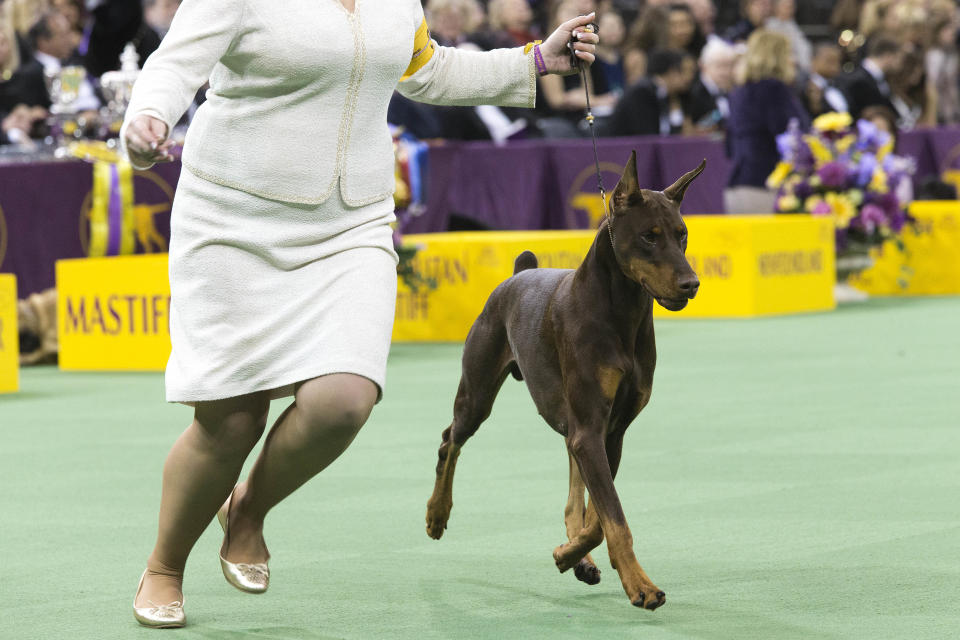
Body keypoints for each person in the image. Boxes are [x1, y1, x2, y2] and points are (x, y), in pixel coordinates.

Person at [120, 0, 599, 629]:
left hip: (351, 223)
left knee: (344, 399)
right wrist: (148, 117)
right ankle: (164, 567)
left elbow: (427, 70)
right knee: (233, 419)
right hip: (232, 221)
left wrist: (535, 60)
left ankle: (248, 511)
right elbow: (174, 64)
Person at [724, 29, 809, 214]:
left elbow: (729, 146)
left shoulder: (738, 93)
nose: (794, 60)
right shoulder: (774, 89)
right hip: (767, 186)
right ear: (777, 57)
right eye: (789, 54)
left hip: (738, 185)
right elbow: (790, 136)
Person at [604, 48, 693, 137]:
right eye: (685, 71)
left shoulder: (666, 94)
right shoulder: (642, 92)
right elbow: (646, 136)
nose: (689, 78)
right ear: (672, 71)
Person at [837, 35, 900, 121]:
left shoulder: (880, 79)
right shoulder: (857, 79)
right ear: (888, 56)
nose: (899, 63)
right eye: (897, 58)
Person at [687, 36, 737, 132]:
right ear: (703, 66)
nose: (725, 72)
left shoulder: (732, 91)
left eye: (729, 66)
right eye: (719, 66)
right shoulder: (693, 93)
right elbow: (698, 126)